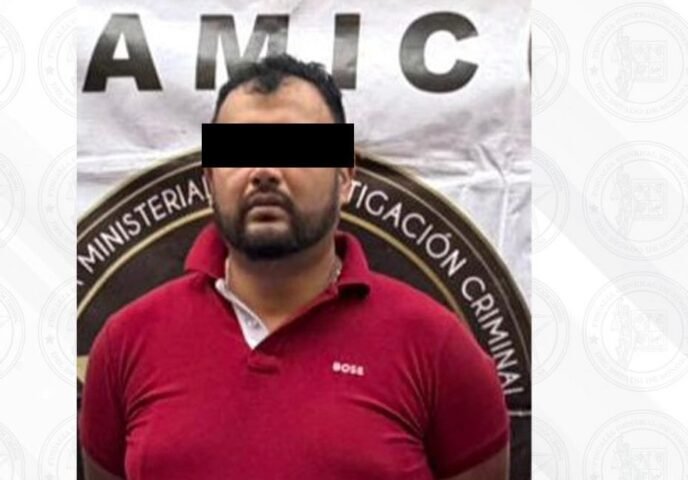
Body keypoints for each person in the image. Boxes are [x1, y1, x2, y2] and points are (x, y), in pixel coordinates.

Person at [80, 54, 510, 480]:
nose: (265, 172)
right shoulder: (125, 343)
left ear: (345, 177)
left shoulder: (438, 347)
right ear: (209, 179)